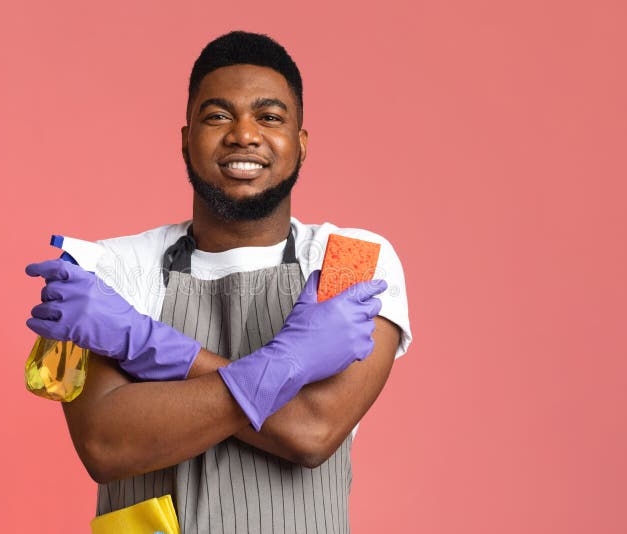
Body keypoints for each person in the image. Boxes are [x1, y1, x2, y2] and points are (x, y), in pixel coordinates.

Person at [26, 31, 412, 534]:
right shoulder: (109, 266)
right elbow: (107, 445)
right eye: (218, 116)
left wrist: (149, 345)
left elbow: (313, 431)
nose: (244, 135)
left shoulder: (351, 257)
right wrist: (290, 364)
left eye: (269, 117)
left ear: (301, 143)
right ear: (186, 140)